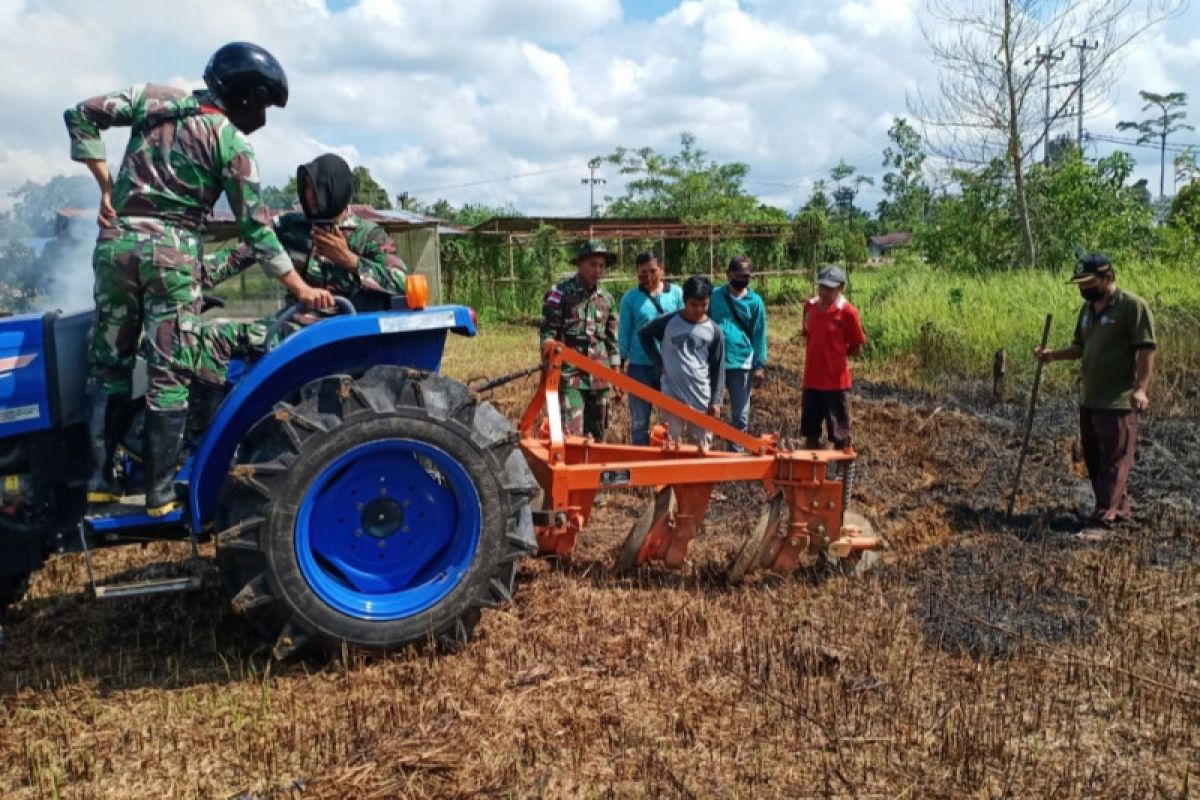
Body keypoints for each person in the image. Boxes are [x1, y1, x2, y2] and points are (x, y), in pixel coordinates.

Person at [65, 41, 333, 516]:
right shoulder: (233, 143)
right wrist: (300, 287)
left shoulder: (155, 98)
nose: (264, 117)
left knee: (108, 363)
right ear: (246, 95)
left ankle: (99, 481)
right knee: (172, 369)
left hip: (117, 245)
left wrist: (106, 185)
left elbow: (81, 114)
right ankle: (158, 493)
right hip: (172, 255)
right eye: (264, 103)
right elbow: (257, 230)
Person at [191, 153, 408, 433]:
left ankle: (202, 439)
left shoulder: (368, 235)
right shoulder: (291, 227)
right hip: (291, 325)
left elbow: (402, 280)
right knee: (203, 336)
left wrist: (350, 260)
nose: (310, 195)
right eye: (305, 188)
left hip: (334, 334)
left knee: (215, 338)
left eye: (316, 188)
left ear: (336, 189)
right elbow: (242, 254)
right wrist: (191, 278)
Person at [1036, 253, 1156, 528]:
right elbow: (1081, 347)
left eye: (1089, 283)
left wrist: (1141, 389)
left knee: (1115, 460)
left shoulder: (1132, 307)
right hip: (1090, 398)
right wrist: (1052, 356)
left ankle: (1105, 518)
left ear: (1108, 278)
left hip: (1117, 400)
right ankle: (1116, 508)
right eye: (1080, 284)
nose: (1083, 289)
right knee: (1095, 458)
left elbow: (1146, 349)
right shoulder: (1088, 311)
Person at [539, 239, 620, 440]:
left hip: (600, 377)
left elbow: (612, 341)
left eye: (601, 266)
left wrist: (616, 373)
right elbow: (548, 333)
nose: (598, 270)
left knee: (598, 436)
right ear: (580, 264)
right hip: (570, 376)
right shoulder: (560, 294)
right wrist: (548, 358)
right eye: (593, 264)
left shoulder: (607, 299)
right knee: (571, 435)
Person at [638, 276, 724, 449]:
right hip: (672, 394)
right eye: (694, 305)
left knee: (701, 448)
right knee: (669, 444)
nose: (699, 309)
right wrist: (658, 361)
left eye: (704, 304)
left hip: (700, 396)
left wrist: (716, 399)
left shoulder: (714, 331)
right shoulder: (668, 322)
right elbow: (644, 334)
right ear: (685, 301)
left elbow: (718, 367)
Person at [618, 251, 684, 445]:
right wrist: (621, 363)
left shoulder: (676, 294)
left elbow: (685, 326)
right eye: (642, 272)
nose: (648, 276)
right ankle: (641, 465)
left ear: (662, 271)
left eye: (652, 271)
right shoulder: (630, 299)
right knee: (639, 422)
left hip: (670, 367)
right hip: (640, 367)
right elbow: (624, 332)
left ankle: (668, 463)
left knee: (671, 421)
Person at [800, 266, 867, 449]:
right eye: (822, 287)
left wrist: (835, 357)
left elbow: (856, 346)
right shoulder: (810, 307)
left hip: (835, 383)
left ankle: (842, 474)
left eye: (830, 288)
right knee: (810, 433)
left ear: (840, 289)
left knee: (840, 436)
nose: (824, 292)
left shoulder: (848, 312)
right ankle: (811, 474)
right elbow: (808, 335)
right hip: (811, 380)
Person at [709, 255, 768, 443]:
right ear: (728, 274)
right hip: (714, 362)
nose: (742, 279)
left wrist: (759, 365)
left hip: (742, 362)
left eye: (746, 276)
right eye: (738, 275)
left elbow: (759, 335)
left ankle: (737, 457)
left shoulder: (755, 302)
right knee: (709, 410)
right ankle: (704, 456)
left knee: (740, 416)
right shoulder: (714, 296)